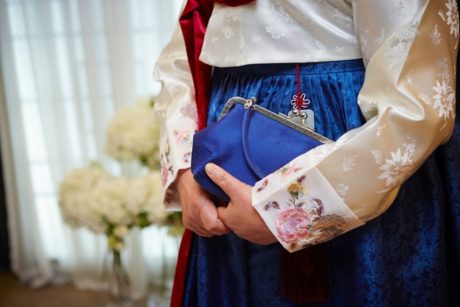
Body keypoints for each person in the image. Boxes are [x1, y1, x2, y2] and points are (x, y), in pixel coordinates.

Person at [154, 0, 460, 306]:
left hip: (349, 155)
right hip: (227, 163)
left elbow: (414, 102)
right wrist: (185, 167)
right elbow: (184, 53)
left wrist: (286, 209)